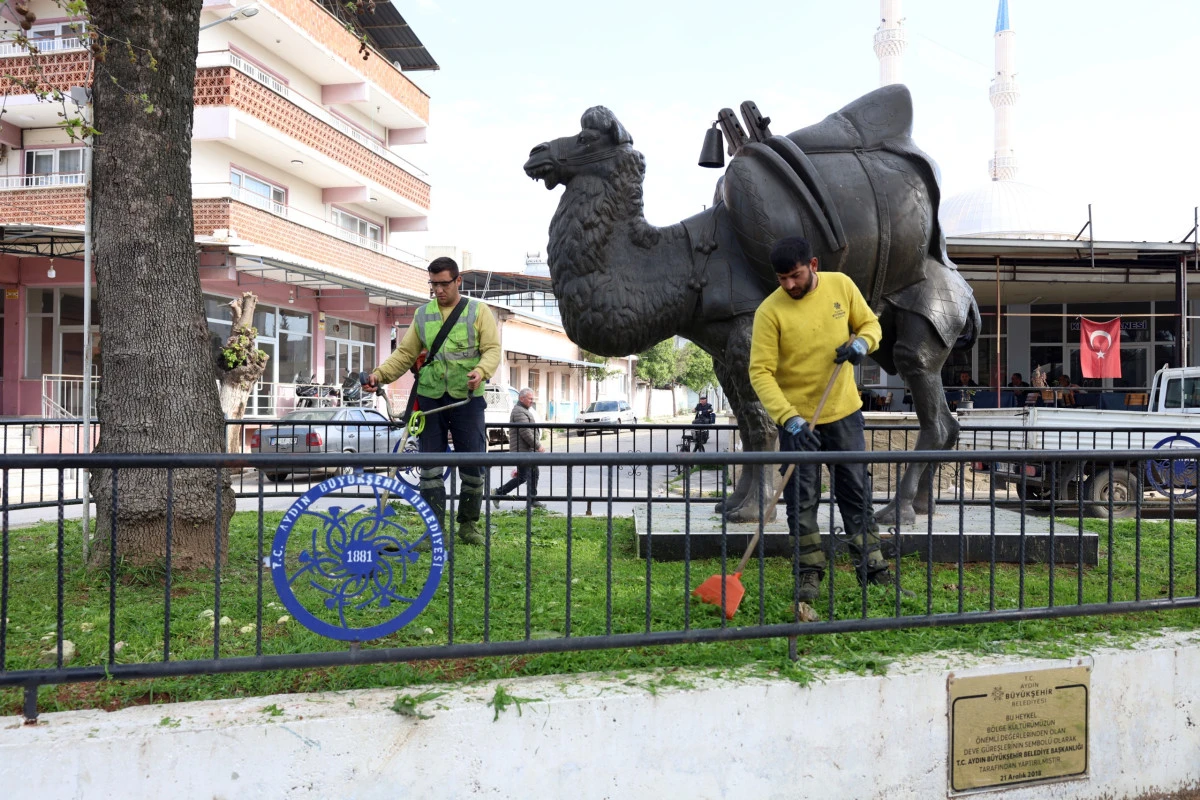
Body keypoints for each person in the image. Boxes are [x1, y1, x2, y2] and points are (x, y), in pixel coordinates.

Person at [748, 235, 895, 603]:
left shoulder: (841, 286)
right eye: (782, 278)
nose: (789, 285)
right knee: (801, 499)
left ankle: (873, 570)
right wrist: (789, 419)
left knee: (856, 492)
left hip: (843, 412)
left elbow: (871, 325)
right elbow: (760, 372)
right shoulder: (770, 311)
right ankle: (808, 574)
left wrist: (862, 344)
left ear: (813, 265)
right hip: (798, 423)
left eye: (795, 275)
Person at [364, 257, 500, 545]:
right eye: (433, 284)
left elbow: (492, 350)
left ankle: (468, 526)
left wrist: (481, 371)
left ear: (458, 281)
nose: (438, 290)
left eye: (444, 284)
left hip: (467, 399)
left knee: (473, 464)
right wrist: (379, 375)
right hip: (430, 397)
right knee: (430, 468)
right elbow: (405, 354)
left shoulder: (479, 311)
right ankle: (434, 531)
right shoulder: (423, 314)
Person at [493, 387, 545, 508]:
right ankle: (498, 493)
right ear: (521, 398)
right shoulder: (519, 411)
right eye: (530, 398)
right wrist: (538, 446)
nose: (532, 401)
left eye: (532, 398)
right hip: (522, 451)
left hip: (527, 450)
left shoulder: (523, 410)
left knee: (534, 473)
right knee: (523, 476)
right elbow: (525, 432)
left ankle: (532, 499)